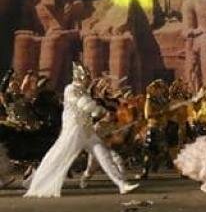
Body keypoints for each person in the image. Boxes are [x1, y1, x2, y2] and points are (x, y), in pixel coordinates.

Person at [24, 63, 139, 197]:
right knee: (59, 157)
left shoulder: (83, 90)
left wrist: (99, 112)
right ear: (79, 77)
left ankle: (121, 184)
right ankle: (37, 182)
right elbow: (84, 104)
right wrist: (101, 111)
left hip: (87, 130)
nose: (88, 80)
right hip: (74, 131)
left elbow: (89, 108)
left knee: (104, 155)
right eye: (86, 78)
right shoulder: (70, 89)